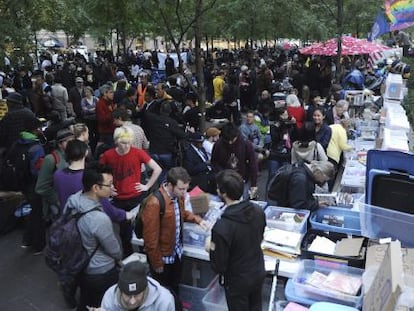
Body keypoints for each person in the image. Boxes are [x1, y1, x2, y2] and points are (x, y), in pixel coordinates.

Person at [141, 167, 207, 306]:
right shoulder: (154, 203)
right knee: (163, 293)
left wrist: (197, 219)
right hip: (163, 258)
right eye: (181, 189)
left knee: (174, 288)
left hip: (176, 253)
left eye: (186, 189)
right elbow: (150, 239)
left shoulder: (178, 197)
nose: (184, 192)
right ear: (170, 185)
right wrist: (157, 263)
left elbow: (181, 213)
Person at [64, 163, 122, 311]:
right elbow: (114, 251)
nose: (113, 187)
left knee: (87, 299)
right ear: (96, 188)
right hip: (100, 272)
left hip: (80, 264)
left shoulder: (73, 200)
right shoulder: (98, 219)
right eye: (109, 184)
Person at [206, 169, 266, 311]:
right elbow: (259, 237)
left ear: (223, 193)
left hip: (237, 280)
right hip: (257, 270)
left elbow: (218, 265)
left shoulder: (222, 226)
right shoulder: (258, 210)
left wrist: (210, 245)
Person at [100, 126, 161, 257]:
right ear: (116, 141)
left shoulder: (137, 152)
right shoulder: (108, 155)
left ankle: (144, 256)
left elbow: (157, 169)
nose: (126, 146)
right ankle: (128, 257)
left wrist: (147, 186)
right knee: (124, 233)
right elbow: (99, 173)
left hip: (137, 197)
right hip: (119, 199)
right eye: (123, 143)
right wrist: (108, 188)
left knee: (142, 230)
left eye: (129, 143)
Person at [98, 261, 175, 311]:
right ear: (120, 291)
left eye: (137, 295)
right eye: (127, 295)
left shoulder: (164, 301)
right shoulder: (110, 297)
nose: (132, 301)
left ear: (145, 289)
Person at [35, 128, 75, 221]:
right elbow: (41, 187)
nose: (72, 144)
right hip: (58, 205)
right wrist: (56, 200)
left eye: (73, 140)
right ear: (60, 144)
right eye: (68, 141)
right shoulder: (51, 159)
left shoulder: (73, 155)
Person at [211, 122, 258, 200]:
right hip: (225, 180)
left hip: (242, 179)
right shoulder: (218, 144)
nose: (230, 143)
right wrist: (221, 174)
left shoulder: (246, 143)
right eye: (227, 140)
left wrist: (253, 184)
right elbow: (214, 162)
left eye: (232, 140)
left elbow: (253, 164)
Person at [267, 160, 335, 211]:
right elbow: (298, 205)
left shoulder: (303, 166)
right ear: (319, 172)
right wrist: (316, 204)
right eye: (324, 179)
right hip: (282, 206)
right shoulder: (300, 179)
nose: (322, 182)